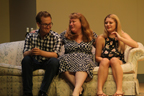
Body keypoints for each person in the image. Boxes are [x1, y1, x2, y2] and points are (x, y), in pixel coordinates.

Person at [95, 14, 138, 96]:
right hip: (104, 62)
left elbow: (135, 45)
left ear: (116, 24)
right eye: (106, 23)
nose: (108, 25)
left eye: (110, 22)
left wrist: (120, 38)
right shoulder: (101, 38)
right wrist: (107, 61)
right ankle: (99, 91)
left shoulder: (123, 35)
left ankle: (119, 91)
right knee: (105, 60)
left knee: (114, 60)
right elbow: (97, 57)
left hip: (118, 61)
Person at [21, 11, 61, 96]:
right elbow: (25, 53)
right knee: (26, 59)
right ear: (38, 24)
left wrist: (41, 52)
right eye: (45, 24)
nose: (48, 27)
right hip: (35, 62)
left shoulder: (56, 36)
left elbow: (55, 54)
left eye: (50, 24)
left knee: (55, 61)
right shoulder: (31, 36)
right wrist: (31, 52)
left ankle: (43, 92)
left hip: (48, 63)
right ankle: (27, 93)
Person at [58, 12, 97, 96]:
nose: (71, 24)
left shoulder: (90, 35)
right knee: (61, 59)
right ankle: (78, 88)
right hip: (69, 61)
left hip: (85, 61)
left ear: (81, 23)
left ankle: (75, 91)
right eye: (70, 22)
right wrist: (39, 32)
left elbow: (101, 45)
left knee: (82, 58)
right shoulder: (65, 35)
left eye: (73, 22)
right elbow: (53, 40)